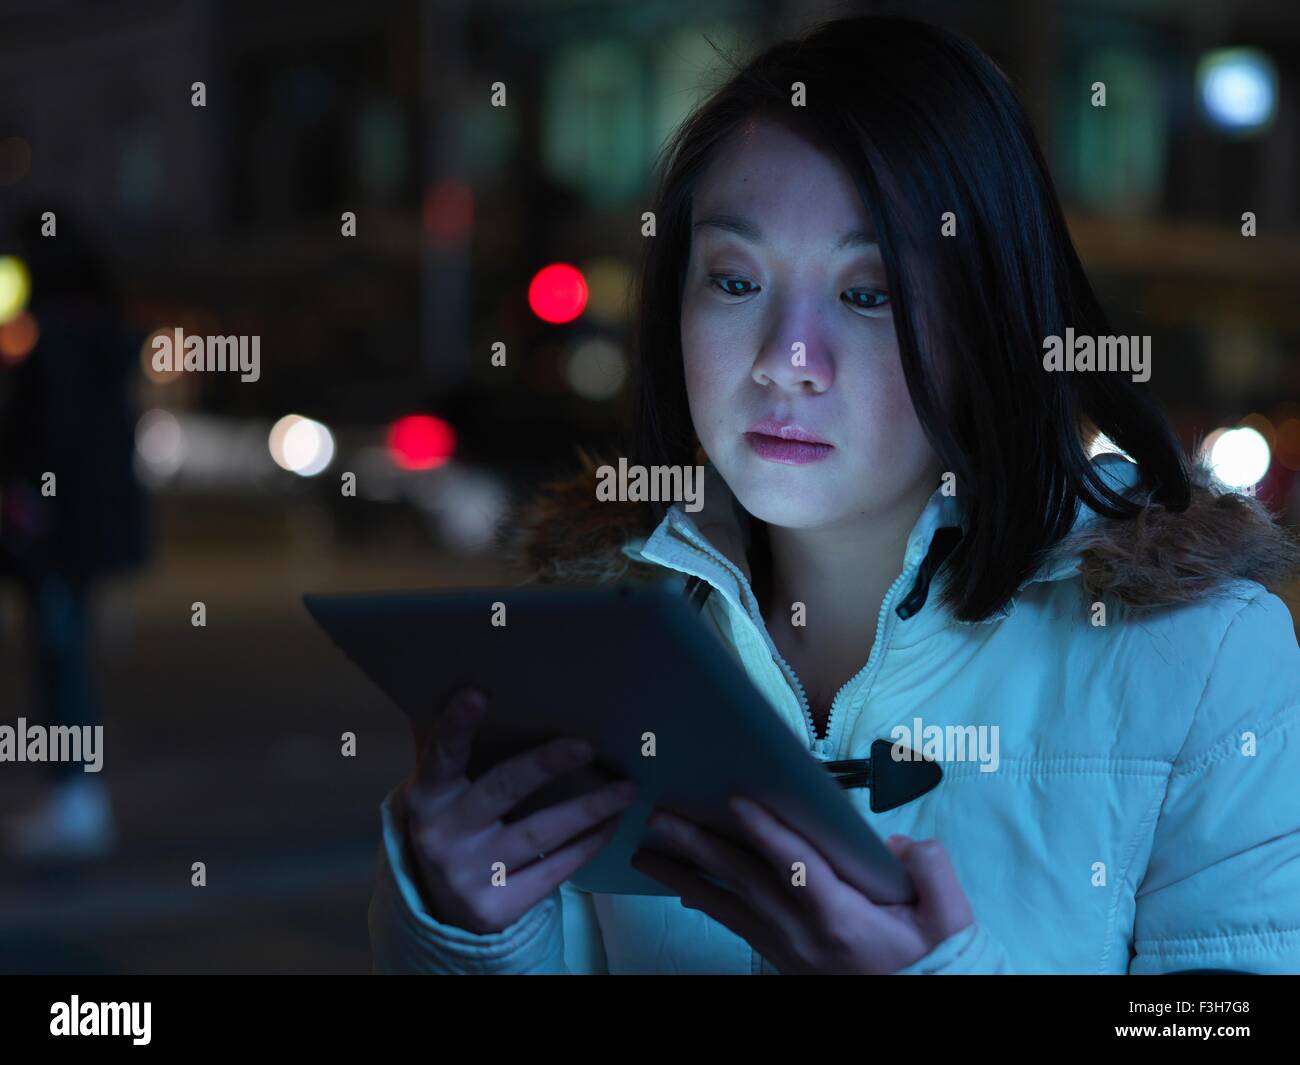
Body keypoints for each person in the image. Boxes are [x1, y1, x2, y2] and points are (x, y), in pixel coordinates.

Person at [366, 14, 1300, 973]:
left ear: (991, 322)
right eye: (733, 281)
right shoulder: (590, 644)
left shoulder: (1200, 656)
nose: (786, 361)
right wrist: (460, 922)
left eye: (871, 293)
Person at [0, 206, 150, 858]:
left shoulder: (54, 342)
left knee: (60, 661)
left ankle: (76, 797)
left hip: (57, 535)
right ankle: (76, 796)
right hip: (86, 531)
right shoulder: (103, 335)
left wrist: (28, 507)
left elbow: (43, 444)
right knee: (66, 657)